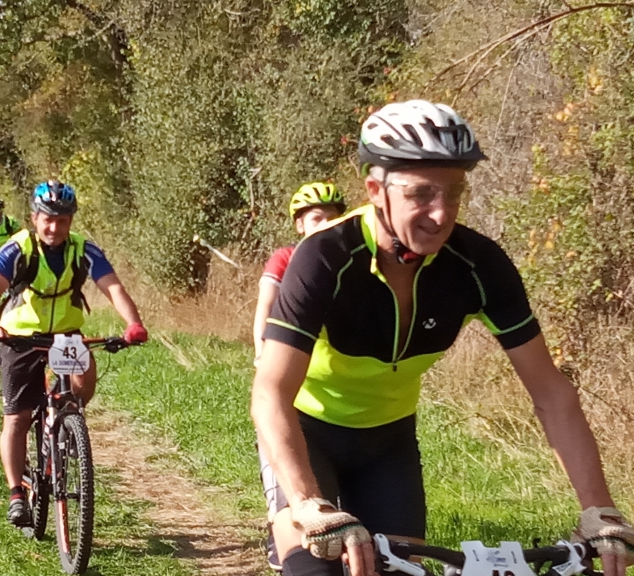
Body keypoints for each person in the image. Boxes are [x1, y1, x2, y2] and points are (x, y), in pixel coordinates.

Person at [251, 100, 634, 576]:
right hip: (307, 431)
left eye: (454, 193)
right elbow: (270, 391)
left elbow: (551, 392)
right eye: (421, 193)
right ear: (375, 190)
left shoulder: (478, 265)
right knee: (313, 569)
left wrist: (598, 508)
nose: (441, 213)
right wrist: (308, 501)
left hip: (388, 444)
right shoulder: (325, 256)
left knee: (399, 571)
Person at [0, 179, 148, 527]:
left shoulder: (83, 249)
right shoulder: (18, 248)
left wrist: (133, 324)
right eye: (47, 220)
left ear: (71, 221)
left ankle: (65, 427)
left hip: (66, 335)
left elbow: (113, 287)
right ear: (34, 218)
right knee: (17, 418)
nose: (54, 228)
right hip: (20, 336)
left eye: (62, 220)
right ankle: (16, 493)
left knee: (84, 381)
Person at [253, 181, 347, 572]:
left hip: (335, 383)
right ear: (299, 224)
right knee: (281, 456)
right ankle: (280, 526)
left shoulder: (348, 259)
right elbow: (265, 306)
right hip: (288, 374)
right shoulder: (286, 258)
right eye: (316, 218)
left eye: (333, 218)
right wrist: (263, 353)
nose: (325, 225)